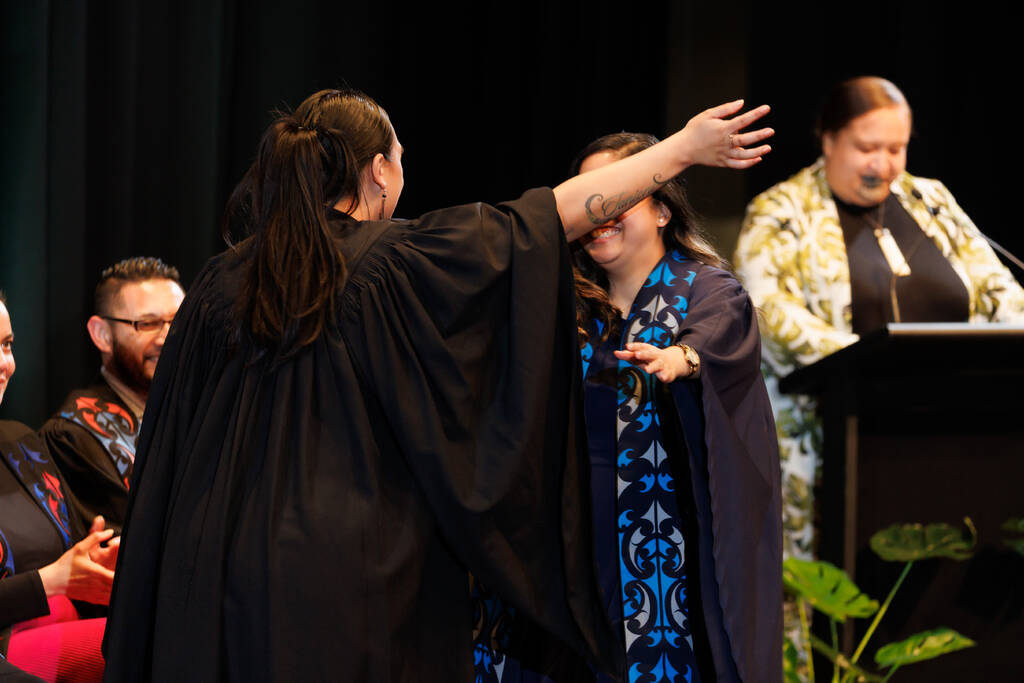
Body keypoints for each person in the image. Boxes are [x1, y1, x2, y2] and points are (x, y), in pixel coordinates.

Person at [101, 88, 773, 682]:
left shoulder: (219, 278)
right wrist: (683, 148)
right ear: (378, 171)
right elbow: (545, 218)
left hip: (205, 562)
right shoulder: (394, 260)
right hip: (343, 569)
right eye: (400, 158)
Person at [733, 76, 1024, 566]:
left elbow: (999, 293)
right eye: (867, 148)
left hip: (955, 434)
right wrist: (868, 362)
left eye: (896, 148)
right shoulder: (782, 210)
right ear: (827, 140)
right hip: (832, 440)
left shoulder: (929, 199)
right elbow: (765, 308)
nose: (883, 165)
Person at [567, 134, 780, 683]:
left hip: (676, 537)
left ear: (663, 209)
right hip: (581, 533)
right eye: (595, 198)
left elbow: (717, 334)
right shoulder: (566, 304)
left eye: (622, 198)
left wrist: (683, 358)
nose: (603, 214)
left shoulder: (706, 287)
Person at [0, 291, 118, 682]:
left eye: (6, 345)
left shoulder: (20, 441)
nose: (5, 364)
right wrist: (52, 580)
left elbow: (67, 556)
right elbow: (55, 576)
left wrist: (92, 562)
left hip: (59, 623)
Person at [39, 257, 185, 532]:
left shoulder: (203, 411)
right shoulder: (73, 438)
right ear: (102, 334)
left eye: (179, 322)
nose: (169, 337)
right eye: (147, 323)